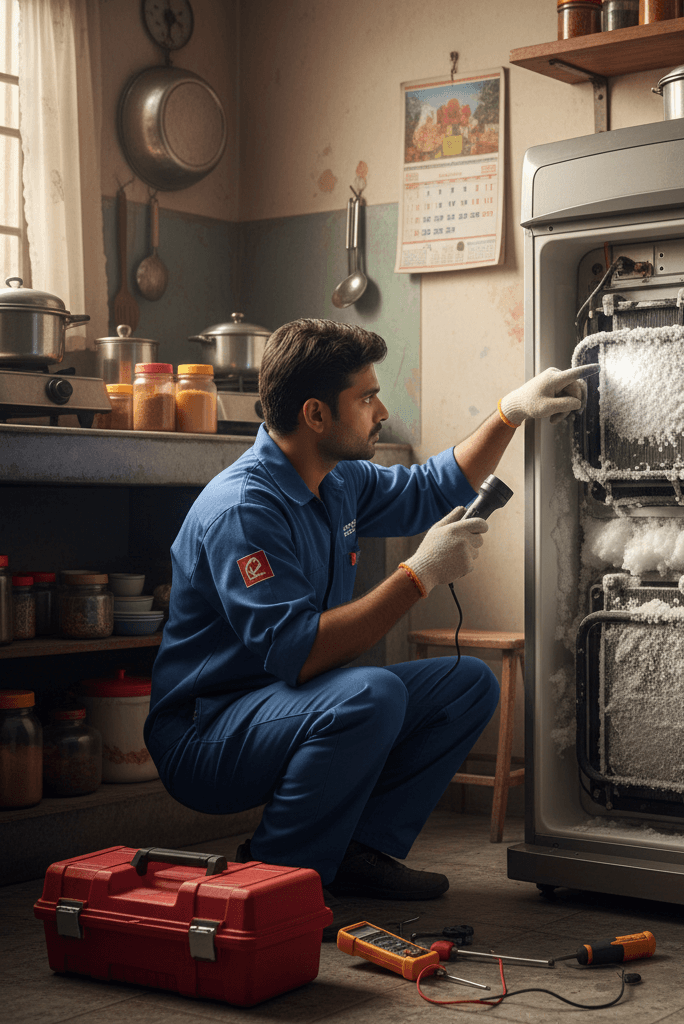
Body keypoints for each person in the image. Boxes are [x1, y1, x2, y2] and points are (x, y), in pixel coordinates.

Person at [144, 318, 594, 925]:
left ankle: (359, 852)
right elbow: (299, 653)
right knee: (370, 692)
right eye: (366, 396)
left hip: (282, 702)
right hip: (207, 734)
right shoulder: (243, 512)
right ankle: (279, 876)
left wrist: (510, 413)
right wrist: (419, 574)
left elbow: (435, 486)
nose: (381, 410)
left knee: (467, 685)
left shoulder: (336, 478)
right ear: (316, 414)